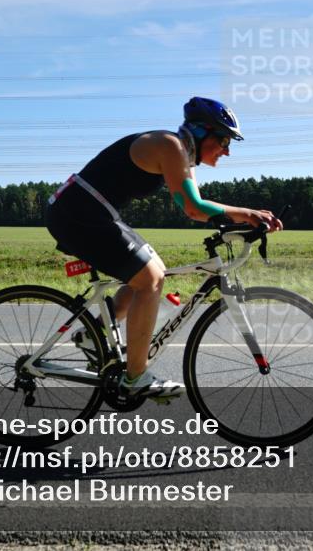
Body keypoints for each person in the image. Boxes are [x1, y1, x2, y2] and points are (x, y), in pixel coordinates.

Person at [45, 97, 283, 400]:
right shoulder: (170, 146)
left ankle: (93, 336)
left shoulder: (182, 154)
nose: (227, 150)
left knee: (153, 267)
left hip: (90, 211)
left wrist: (240, 222)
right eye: (223, 140)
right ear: (201, 132)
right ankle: (135, 378)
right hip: (79, 213)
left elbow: (199, 203)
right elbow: (194, 208)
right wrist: (248, 214)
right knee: (150, 279)